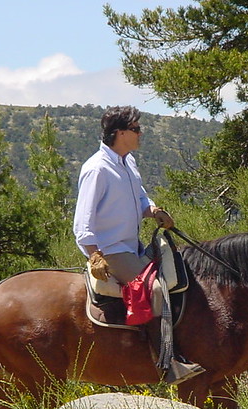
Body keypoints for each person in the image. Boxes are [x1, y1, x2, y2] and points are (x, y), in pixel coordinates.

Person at [73, 105, 204, 384]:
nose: (140, 133)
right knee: (155, 288)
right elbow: (82, 223)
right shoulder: (96, 169)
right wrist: (95, 255)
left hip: (133, 246)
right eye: (136, 129)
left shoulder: (128, 162)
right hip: (112, 250)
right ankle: (166, 363)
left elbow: (141, 200)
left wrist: (154, 211)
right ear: (120, 133)